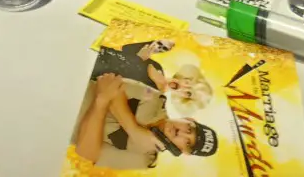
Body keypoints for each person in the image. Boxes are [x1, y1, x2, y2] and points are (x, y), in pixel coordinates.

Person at [74, 73, 218, 170]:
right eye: (189, 129)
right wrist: (134, 130)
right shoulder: (153, 97)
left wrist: (102, 101)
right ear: (188, 119)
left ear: (183, 152)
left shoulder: (143, 160)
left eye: (187, 143)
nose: (181, 133)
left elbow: (85, 153)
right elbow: (111, 84)